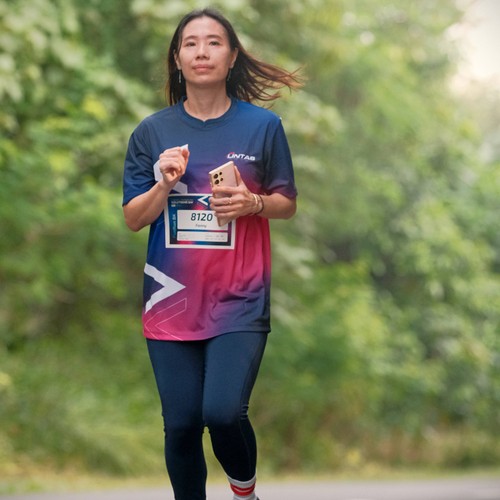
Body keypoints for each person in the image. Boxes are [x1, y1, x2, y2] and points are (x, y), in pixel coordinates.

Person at [122, 8, 301, 500]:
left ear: (232, 55)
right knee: (181, 424)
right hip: (170, 299)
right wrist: (163, 184)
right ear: (177, 58)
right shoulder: (152, 133)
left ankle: (245, 493)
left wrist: (253, 203)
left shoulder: (262, 127)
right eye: (191, 43)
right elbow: (134, 218)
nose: (202, 52)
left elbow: (286, 203)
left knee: (222, 413)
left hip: (239, 297)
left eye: (214, 42)